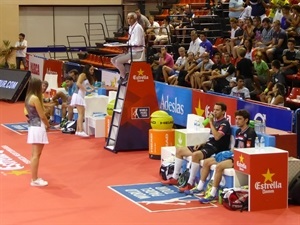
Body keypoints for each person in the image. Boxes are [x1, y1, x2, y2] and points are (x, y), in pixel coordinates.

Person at [162, 102, 231, 193]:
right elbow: (211, 137)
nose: (215, 112)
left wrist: (210, 122)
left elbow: (217, 137)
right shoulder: (215, 122)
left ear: (223, 112)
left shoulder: (225, 123)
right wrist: (202, 143)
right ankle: (175, 178)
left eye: (217, 110)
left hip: (216, 148)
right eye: (214, 109)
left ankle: (190, 184)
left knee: (196, 155)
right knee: (180, 150)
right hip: (208, 144)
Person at [194, 110, 257, 203]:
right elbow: (235, 147)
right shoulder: (239, 131)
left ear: (246, 120)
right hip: (235, 155)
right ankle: (200, 187)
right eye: (236, 119)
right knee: (207, 162)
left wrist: (233, 154)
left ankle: (212, 194)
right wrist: (226, 153)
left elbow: (248, 150)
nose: (237, 121)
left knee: (219, 167)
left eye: (240, 119)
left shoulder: (251, 133)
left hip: (243, 159)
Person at [25, 78, 51, 187]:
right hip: (38, 126)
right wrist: (48, 125)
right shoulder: (35, 98)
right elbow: (42, 115)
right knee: (36, 155)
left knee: (35, 154)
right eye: (40, 85)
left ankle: (34, 177)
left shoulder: (28, 97)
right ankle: (34, 179)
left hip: (32, 126)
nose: (42, 87)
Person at [111, 12, 145, 84]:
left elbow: (138, 42)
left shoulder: (138, 28)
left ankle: (124, 77)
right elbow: (130, 40)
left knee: (118, 61)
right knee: (113, 60)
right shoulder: (130, 27)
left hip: (137, 52)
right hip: (130, 51)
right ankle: (125, 75)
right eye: (128, 18)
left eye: (131, 18)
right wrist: (125, 44)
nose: (129, 20)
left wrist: (128, 44)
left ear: (135, 19)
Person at [70, 64, 95, 137]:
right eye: (91, 69)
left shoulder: (87, 77)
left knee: (80, 114)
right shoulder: (83, 74)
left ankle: (78, 130)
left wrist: (92, 88)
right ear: (87, 69)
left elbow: (87, 85)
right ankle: (81, 130)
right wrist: (86, 90)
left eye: (93, 70)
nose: (92, 71)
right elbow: (78, 83)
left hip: (80, 95)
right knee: (81, 114)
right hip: (78, 95)